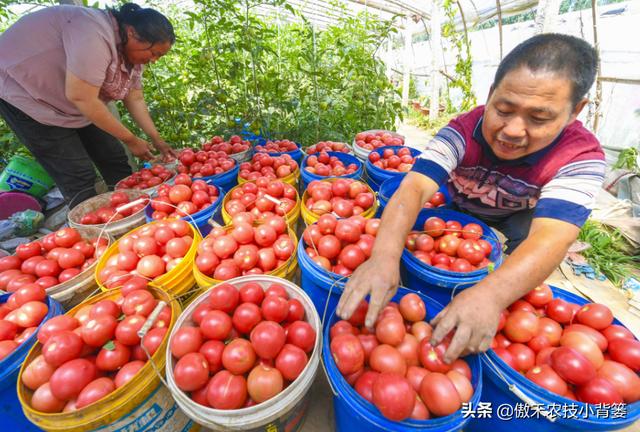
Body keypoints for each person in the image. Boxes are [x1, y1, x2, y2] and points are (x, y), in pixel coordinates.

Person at [337, 34, 606, 363]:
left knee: (523, 255)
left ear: (574, 111)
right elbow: (415, 187)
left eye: (539, 118)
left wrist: (492, 295)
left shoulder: (580, 157)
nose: (512, 130)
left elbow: (552, 236)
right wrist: (384, 256)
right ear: (491, 94)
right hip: (461, 204)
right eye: (503, 109)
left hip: (520, 214)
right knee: (425, 235)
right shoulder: (462, 131)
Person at [0, 3, 177, 208]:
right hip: (26, 95)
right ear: (132, 32)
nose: (153, 60)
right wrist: (130, 139)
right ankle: (92, 230)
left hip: (77, 99)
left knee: (114, 158)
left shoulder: (131, 53)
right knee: (78, 174)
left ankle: (133, 210)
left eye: (159, 56)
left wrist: (157, 139)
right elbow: (82, 98)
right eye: (153, 53)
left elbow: (134, 97)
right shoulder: (93, 32)